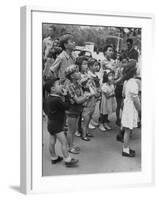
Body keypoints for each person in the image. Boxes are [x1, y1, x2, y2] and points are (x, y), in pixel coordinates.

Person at [44, 78, 79, 167]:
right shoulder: (57, 99)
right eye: (58, 84)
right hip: (57, 125)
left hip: (50, 123)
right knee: (64, 142)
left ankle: (54, 157)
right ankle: (68, 160)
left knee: (52, 141)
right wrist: (66, 95)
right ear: (53, 89)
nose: (61, 86)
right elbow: (66, 106)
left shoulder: (48, 98)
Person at [64, 64, 90, 154]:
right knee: (71, 130)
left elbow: (81, 96)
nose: (79, 73)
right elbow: (78, 100)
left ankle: (72, 144)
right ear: (72, 76)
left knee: (74, 129)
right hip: (71, 110)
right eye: (77, 71)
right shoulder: (69, 86)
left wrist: (84, 97)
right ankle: (70, 147)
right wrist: (86, 97)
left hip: (77, 110)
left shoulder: (77, 83)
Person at [121, 60, 141, 157]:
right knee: (128, 130)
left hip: (128, 106)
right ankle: (125, 150)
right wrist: (140, 110)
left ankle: (127, 147)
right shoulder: (133, 83)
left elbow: (124, 94)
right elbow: (136, 100)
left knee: (128, 129)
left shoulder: (128, 81)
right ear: (134, 71)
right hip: (131, 108)